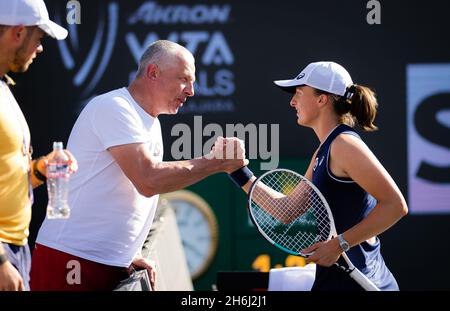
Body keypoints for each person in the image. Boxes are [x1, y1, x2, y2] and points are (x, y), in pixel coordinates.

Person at [30, 40, 248, 291]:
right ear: (153, 72)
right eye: (184, 79)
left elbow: (129, 193)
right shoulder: (114, 107)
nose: (191, 91)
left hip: (108, 264)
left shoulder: (148, 121)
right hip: (71, 260)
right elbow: (148, 180)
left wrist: (128, 254)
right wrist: (216, 163)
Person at [230, 61, 408, 290]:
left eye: (299, 93)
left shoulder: (344, 145)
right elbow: (286, 211)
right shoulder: (325, 149)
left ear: (322, 99)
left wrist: (338, 245)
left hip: (361, 283)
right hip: (337, 281)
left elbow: (395, 205)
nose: (292, 101)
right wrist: (237, 171)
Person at [0, 0, 77, 291]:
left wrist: (41, 171)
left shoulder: (4, 88)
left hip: (15, 249)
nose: (41, 48)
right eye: (39, 38)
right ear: (18, 33)